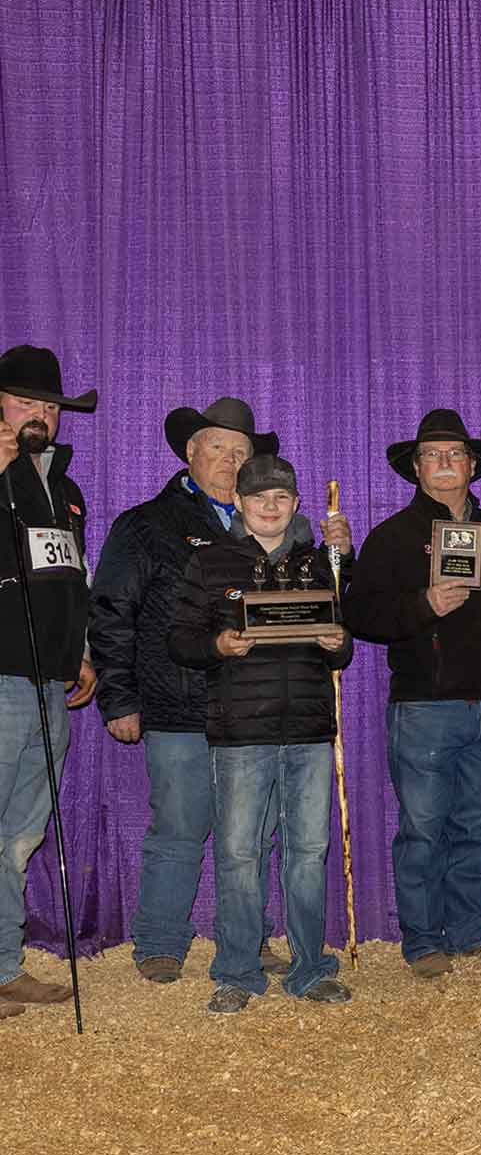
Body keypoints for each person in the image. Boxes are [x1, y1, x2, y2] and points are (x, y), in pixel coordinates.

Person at [89, 397, 347, 985]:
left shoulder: (289, 532)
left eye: (241, 451)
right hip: (177, 702)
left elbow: (312, 607)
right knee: (180, 827)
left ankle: (249, 942)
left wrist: (340, 558)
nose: (230, 459)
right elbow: (111, 611)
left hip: (253, 711)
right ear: (190, 453)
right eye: (217, 447)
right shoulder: (146, 524)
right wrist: (119, 697)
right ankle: (160, 941)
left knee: (251, 835)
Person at [342, 408, 481, 981]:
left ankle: (469, 932)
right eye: (433, 455)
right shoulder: (393, 537)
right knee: (422, 827)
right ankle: (422, 940)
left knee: (477, 823)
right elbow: (359, 612)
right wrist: (423, 606)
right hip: (424, 705)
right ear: (416, 468)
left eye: (455, 454)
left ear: (472, 466)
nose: (445, 463)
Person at [167, 455, 355, 1012]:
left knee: (308, 852)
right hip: (241, 731)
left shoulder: (322, 564)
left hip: (308, 729)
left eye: (280, 499)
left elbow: (343, 641)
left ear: (295, 505)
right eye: (258, 499)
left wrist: (336, 642)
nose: (270, 508)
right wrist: (217, 647)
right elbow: (178, 639)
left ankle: (310, 969)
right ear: (241, 506)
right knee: (239, 854)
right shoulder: (209, 563)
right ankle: (237, 972)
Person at [0, 346, 97, 1019]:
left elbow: (73, 577)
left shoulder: (64, 489)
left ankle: (4, 966)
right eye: (25, 401)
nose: (40, 414)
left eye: (50, 406)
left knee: (20, 834)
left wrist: (82, 651)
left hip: (49, 682)